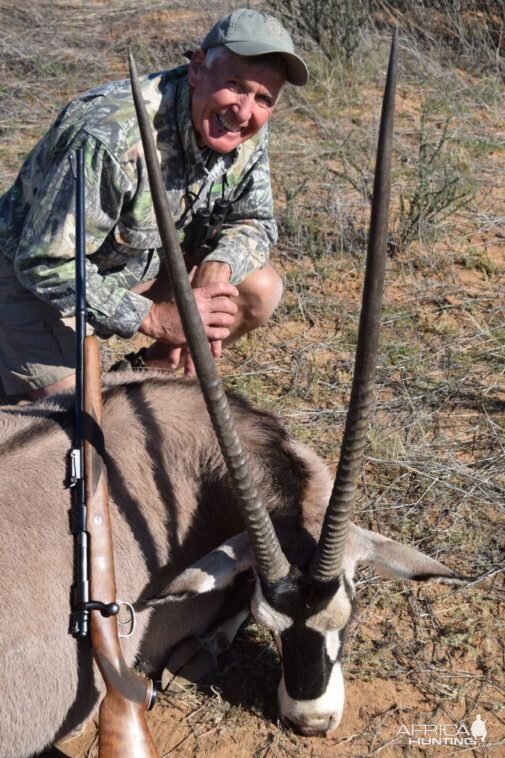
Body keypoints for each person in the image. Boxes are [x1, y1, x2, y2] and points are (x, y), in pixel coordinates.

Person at [0, 8, 308, 400]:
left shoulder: (242, 128)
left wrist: (219, 269)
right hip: (31, 282)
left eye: (263, 98)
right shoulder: (110, 136)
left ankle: (147, 375)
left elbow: (256, 220)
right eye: (234, 84)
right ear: (197, 67)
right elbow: (43, 262)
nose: (244, 111)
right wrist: (157, 318)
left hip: (128, 268)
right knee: (72, 423)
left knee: (259, 287)